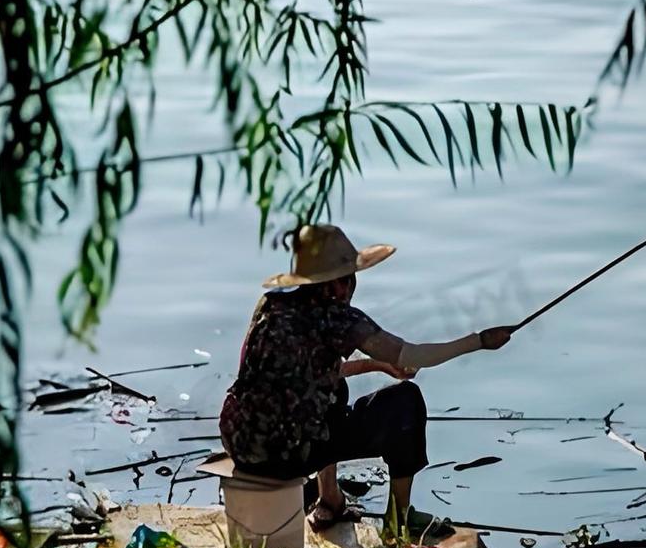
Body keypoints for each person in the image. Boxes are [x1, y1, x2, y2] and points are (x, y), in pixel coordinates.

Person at [219, 224, 512, 532]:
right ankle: (399, 519)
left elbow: (304, 377)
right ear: (340, 283)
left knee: (335, 391)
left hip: (241, 442)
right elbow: (413, 355)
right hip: (287, 454)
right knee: (406, 401)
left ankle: (329, 501)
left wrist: (379, 366)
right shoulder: (338, 319)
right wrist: (479, 341)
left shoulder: (272, 305)